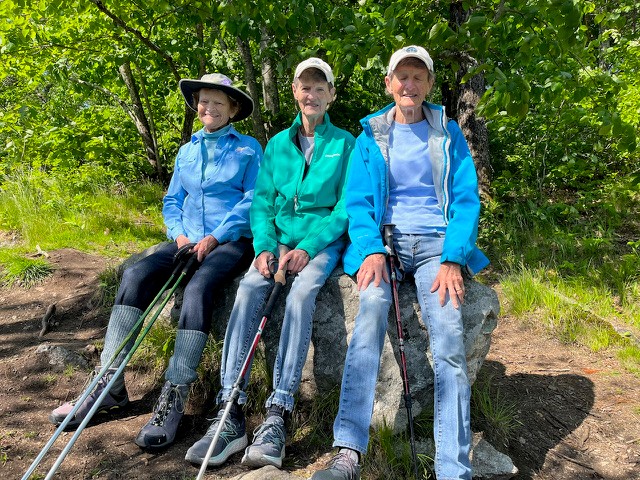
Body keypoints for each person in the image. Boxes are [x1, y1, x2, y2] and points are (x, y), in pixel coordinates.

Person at [49, 73, 262, 451]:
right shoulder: (187, 151)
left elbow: (252, 201)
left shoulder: (248, 150)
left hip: (230, 241)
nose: (208, 108)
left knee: (198, 288)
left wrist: (214, 237)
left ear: (232, 109)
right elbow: (172, 200)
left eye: (217, 102)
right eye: (203, 101)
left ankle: (174, 395)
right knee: (134, 272)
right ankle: (108, 383)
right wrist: (180, 235)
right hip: (185, 240)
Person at [310, 46, 490, 480]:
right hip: (385, 247)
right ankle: (348, 451)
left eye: (418, 77)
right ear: (389, 83)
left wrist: (453, 257)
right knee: (369, 314)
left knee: (448, 338)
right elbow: (357, 201)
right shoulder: (371, 133)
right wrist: (370, 248)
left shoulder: (447, 132)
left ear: (428, 84)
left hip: (434, 248)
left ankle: (453, 468)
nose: (409, 85)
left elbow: (466, 199)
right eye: (401, 77)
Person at [185, 58, 355, 469]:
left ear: (331, 95)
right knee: (247, 291)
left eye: (320, 88)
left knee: (300, 299)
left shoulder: (348, 144)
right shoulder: (277, 145)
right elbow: (261, 204)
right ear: (295, 93)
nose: (311, 95)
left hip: (320, 246)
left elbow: (346, 207)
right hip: (276, 244)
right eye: (304, 87)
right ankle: (231, 411)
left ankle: (278, 413)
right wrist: (264, 247)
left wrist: (309, 248)